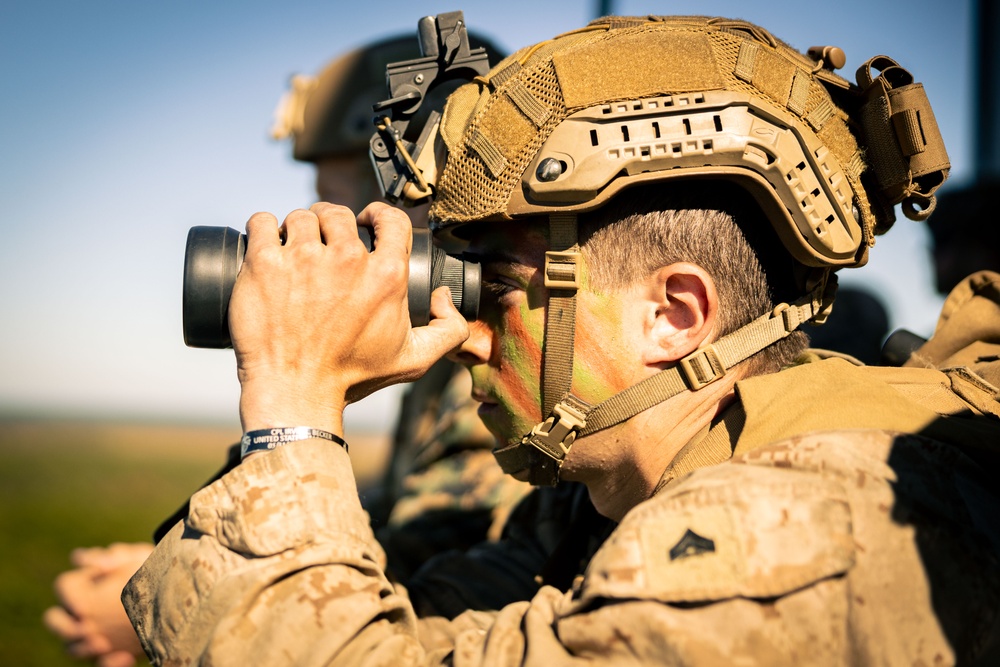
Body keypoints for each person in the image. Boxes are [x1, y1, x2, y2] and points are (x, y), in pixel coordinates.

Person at [124, 14, 1000, 666]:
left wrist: (293, 405)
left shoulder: (792, 534)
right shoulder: (599, 500)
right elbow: (417, 629)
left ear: (675, 314)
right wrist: (317, 372)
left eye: (496, 286)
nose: (465, 336)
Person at [43, 32, 533, 666]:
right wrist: (171, 565)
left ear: (410, 189)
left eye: (335, 197)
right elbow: (387, 519)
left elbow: (437, 582)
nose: (313, 220)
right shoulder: (436, 362)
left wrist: (169, 606)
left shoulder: (494, 361)